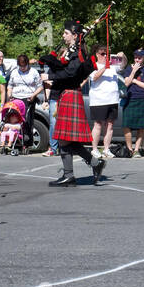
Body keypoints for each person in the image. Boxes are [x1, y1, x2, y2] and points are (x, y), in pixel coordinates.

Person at [40, 22, 104, 185]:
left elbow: (71, 73)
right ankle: (95, 164)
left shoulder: (79, 52)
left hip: (70, 94)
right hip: (66, 94)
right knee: (67, 140)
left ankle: (69, 174)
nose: (63, 35)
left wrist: (50, 77)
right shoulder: (71, 52)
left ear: (75, 36)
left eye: (66, 33)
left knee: (63, 138)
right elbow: (64, 67)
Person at [86, 44, 122, 161]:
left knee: (110, 124)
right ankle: (95, 149)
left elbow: (124, 63)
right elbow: (94, 77)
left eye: (106, 53)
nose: (105, 56)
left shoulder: (113, 64)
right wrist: (105, 67)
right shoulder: (93, 65)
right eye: (102, 54)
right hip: (99, 100)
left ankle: (106, 149)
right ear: (97, 54)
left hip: (112, 99)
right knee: (98, 124)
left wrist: (122, 55)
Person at [5, 53, 43, 151]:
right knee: (14, 120)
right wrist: (9, 95)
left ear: (28, 64)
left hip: (28, 98)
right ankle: (14, 141)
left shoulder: (33, 72)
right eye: (20, 66)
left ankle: (26, 142)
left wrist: (34, 95)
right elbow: (10, 85)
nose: (22, 68)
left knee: (27, 121)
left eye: (24, 66)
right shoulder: (14, 72)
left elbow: (40, 86)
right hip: (16, 98)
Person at [120, 49, 144, 157]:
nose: (137, 59)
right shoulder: (129, 68)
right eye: (135, 57)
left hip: (143, 99)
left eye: (139, 57)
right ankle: (129, 149)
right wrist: (133, 71)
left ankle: (136, 150)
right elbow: (126, 83)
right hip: (130, 99)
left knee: (141, 127)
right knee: (126, 125)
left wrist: (135, 81)